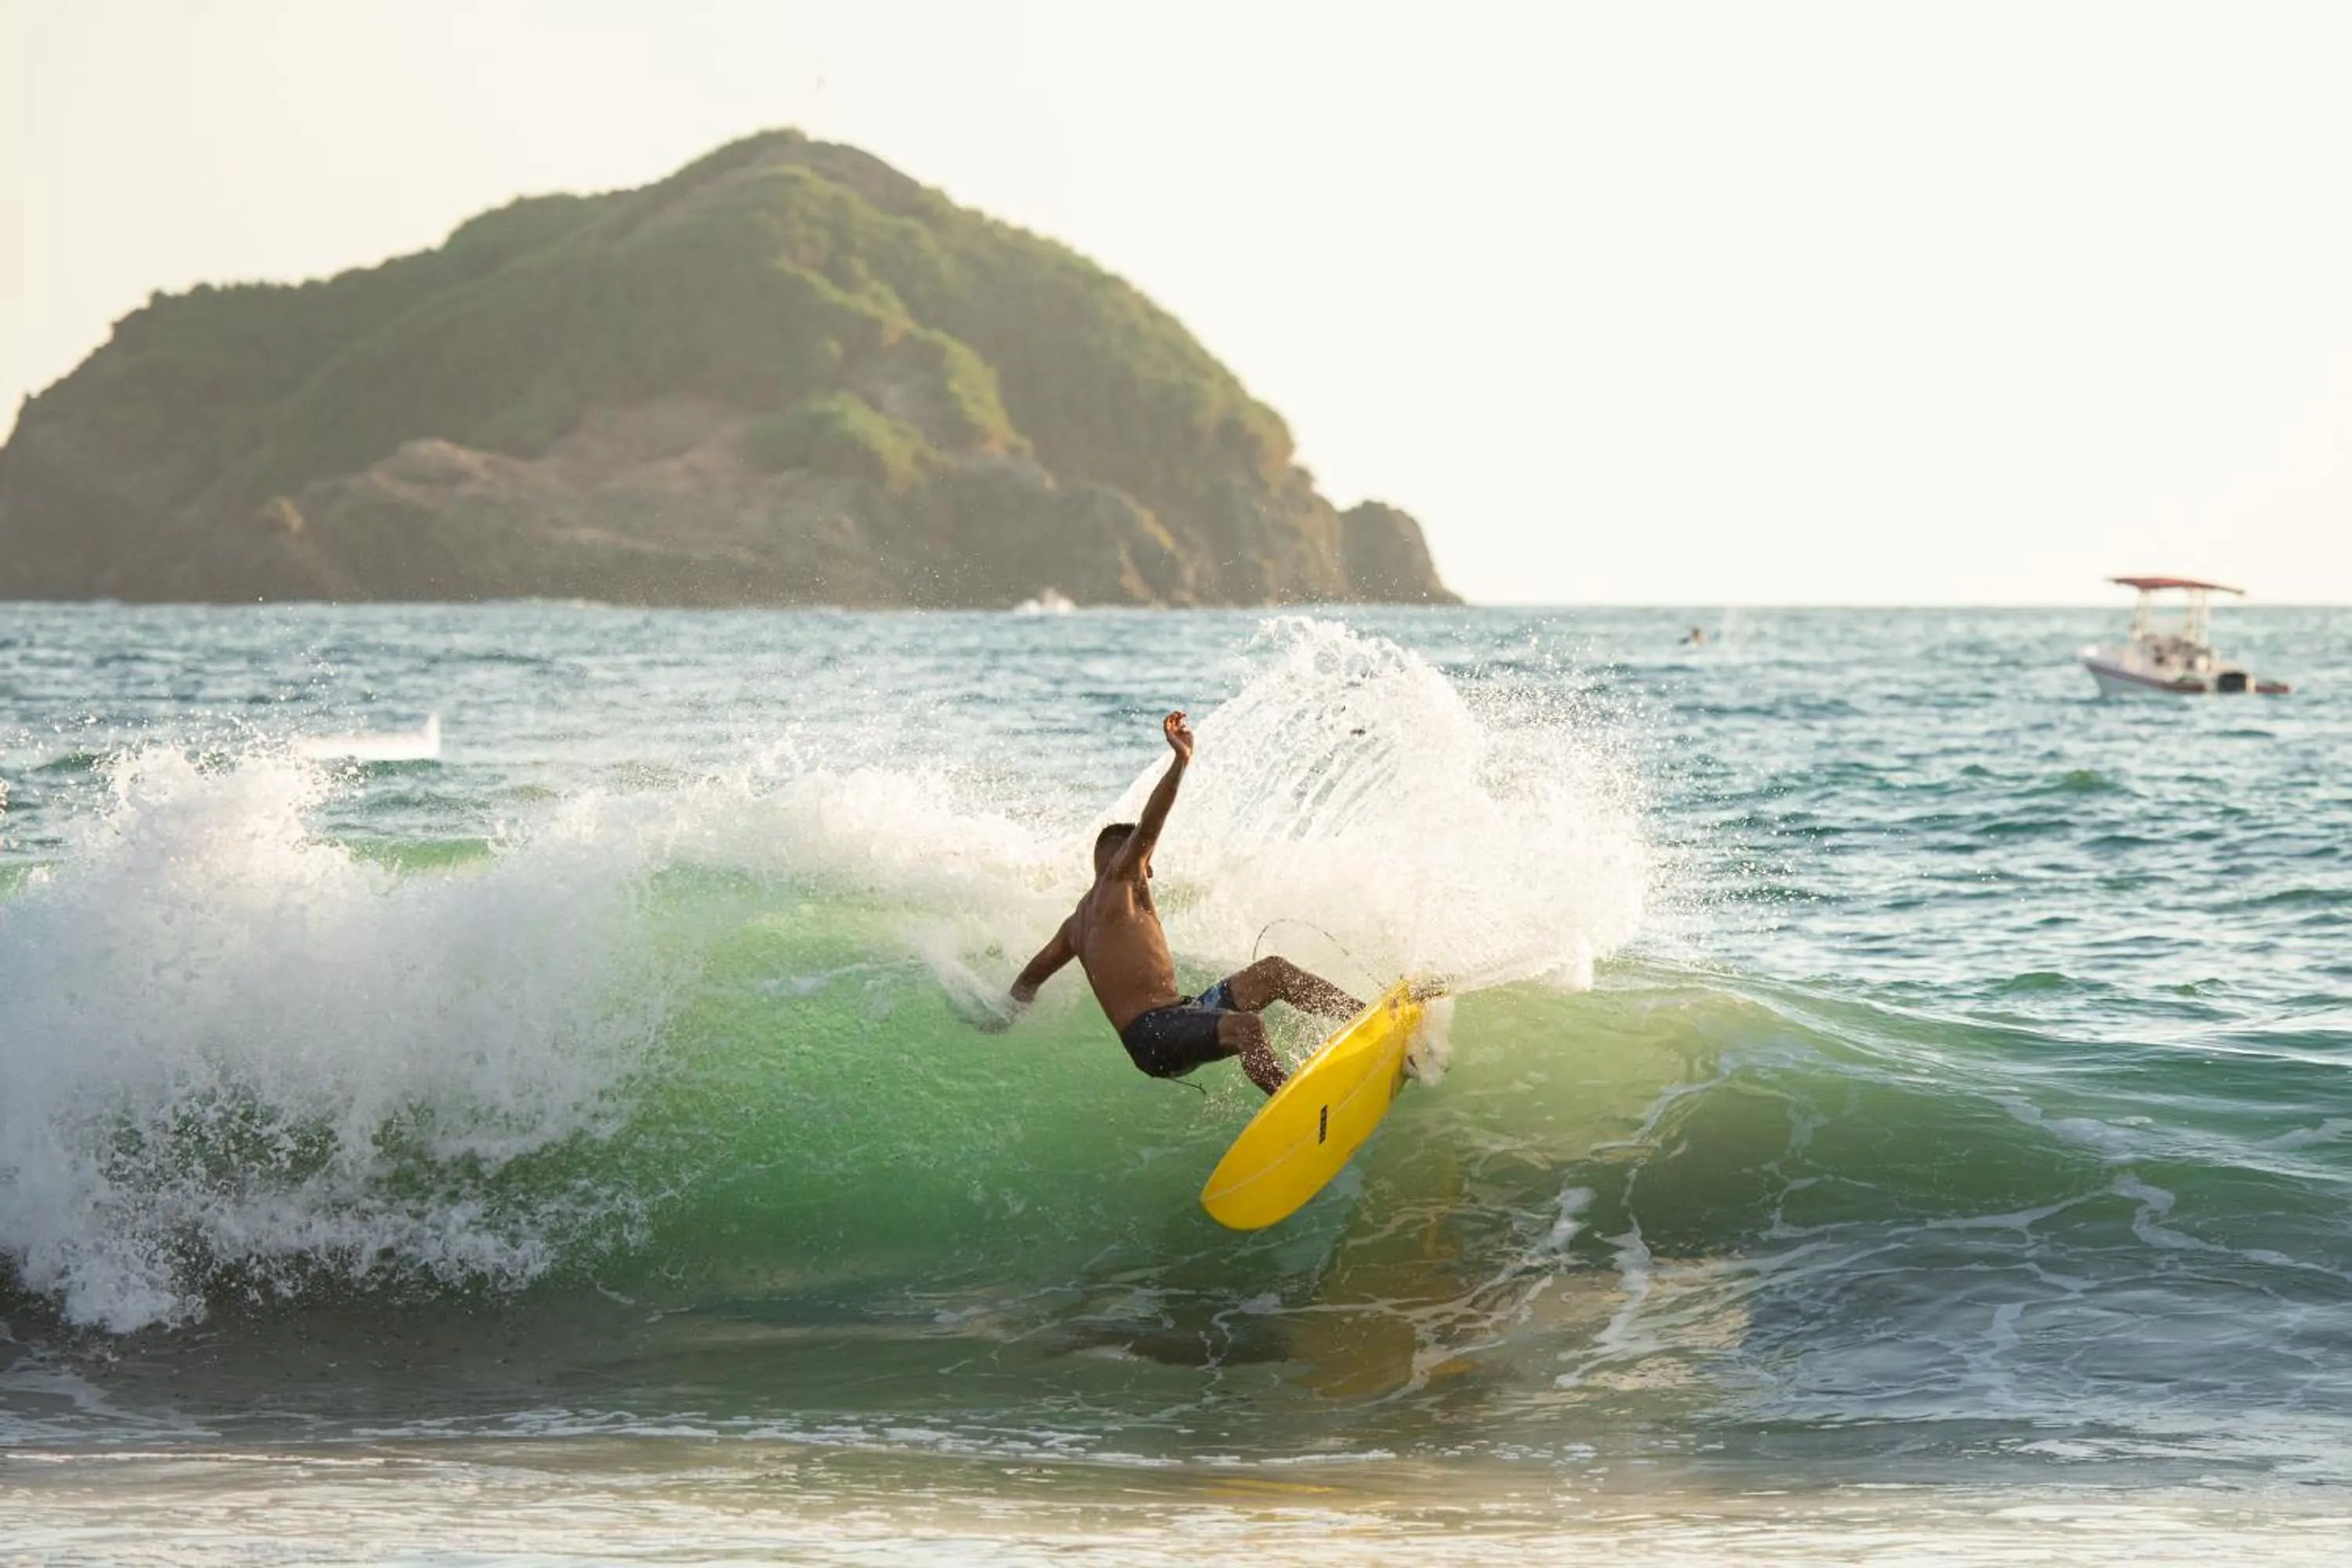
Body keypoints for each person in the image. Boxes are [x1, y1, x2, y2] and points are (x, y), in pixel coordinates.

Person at [975, 710, 1363, 1095]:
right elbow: (1151, 821)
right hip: (1155, 1032)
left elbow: (1030, 979)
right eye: (1146, 862)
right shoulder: (1121, 879)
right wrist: (1181, 761)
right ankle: (1296, 1107)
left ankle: (1364, 1018)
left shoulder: (1075, 927)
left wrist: (1000, 1016)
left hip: (1181, 1016)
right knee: (1248, 1028)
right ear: (1129, 858)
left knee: (1274, 973)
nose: (1150, 871)